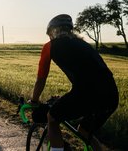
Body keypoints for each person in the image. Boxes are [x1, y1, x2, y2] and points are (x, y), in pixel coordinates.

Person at [31, 14, 119, 151]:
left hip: (86, 93)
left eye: (49, 34)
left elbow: (41, 79)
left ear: (53, 31)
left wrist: (34, 100)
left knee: (52, 118)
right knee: (84, 131)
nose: (49, 38)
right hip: (111, 95)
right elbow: (90, 75)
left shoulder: (50, 47)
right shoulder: (83, 44)